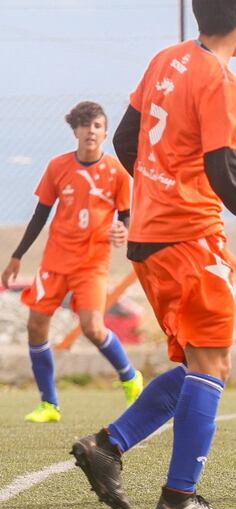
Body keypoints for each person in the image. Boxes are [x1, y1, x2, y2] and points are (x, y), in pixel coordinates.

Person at [69, 0, 236, 509]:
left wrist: (157, 188)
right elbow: (227, 177)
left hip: (148, 238)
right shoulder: (223, 83)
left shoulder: (166, 59)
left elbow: (125, 140)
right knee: (212, 366)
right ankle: (179, 498)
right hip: (189, 238)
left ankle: (108, 445)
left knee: (195, 363)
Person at [2, 101, 143, 423]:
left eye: (97, 126)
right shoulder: (58, 167)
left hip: (92, 263)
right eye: (85, 125)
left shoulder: (117, 173)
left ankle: (129, 375)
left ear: (105, 133)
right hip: (55, 261)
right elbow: (40, 215)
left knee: (93, 328)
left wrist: (123, 230)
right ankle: (49, 404)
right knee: (36, 324)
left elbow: (125, 216)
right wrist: (17, 256)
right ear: (75, 131)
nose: (90, 131)